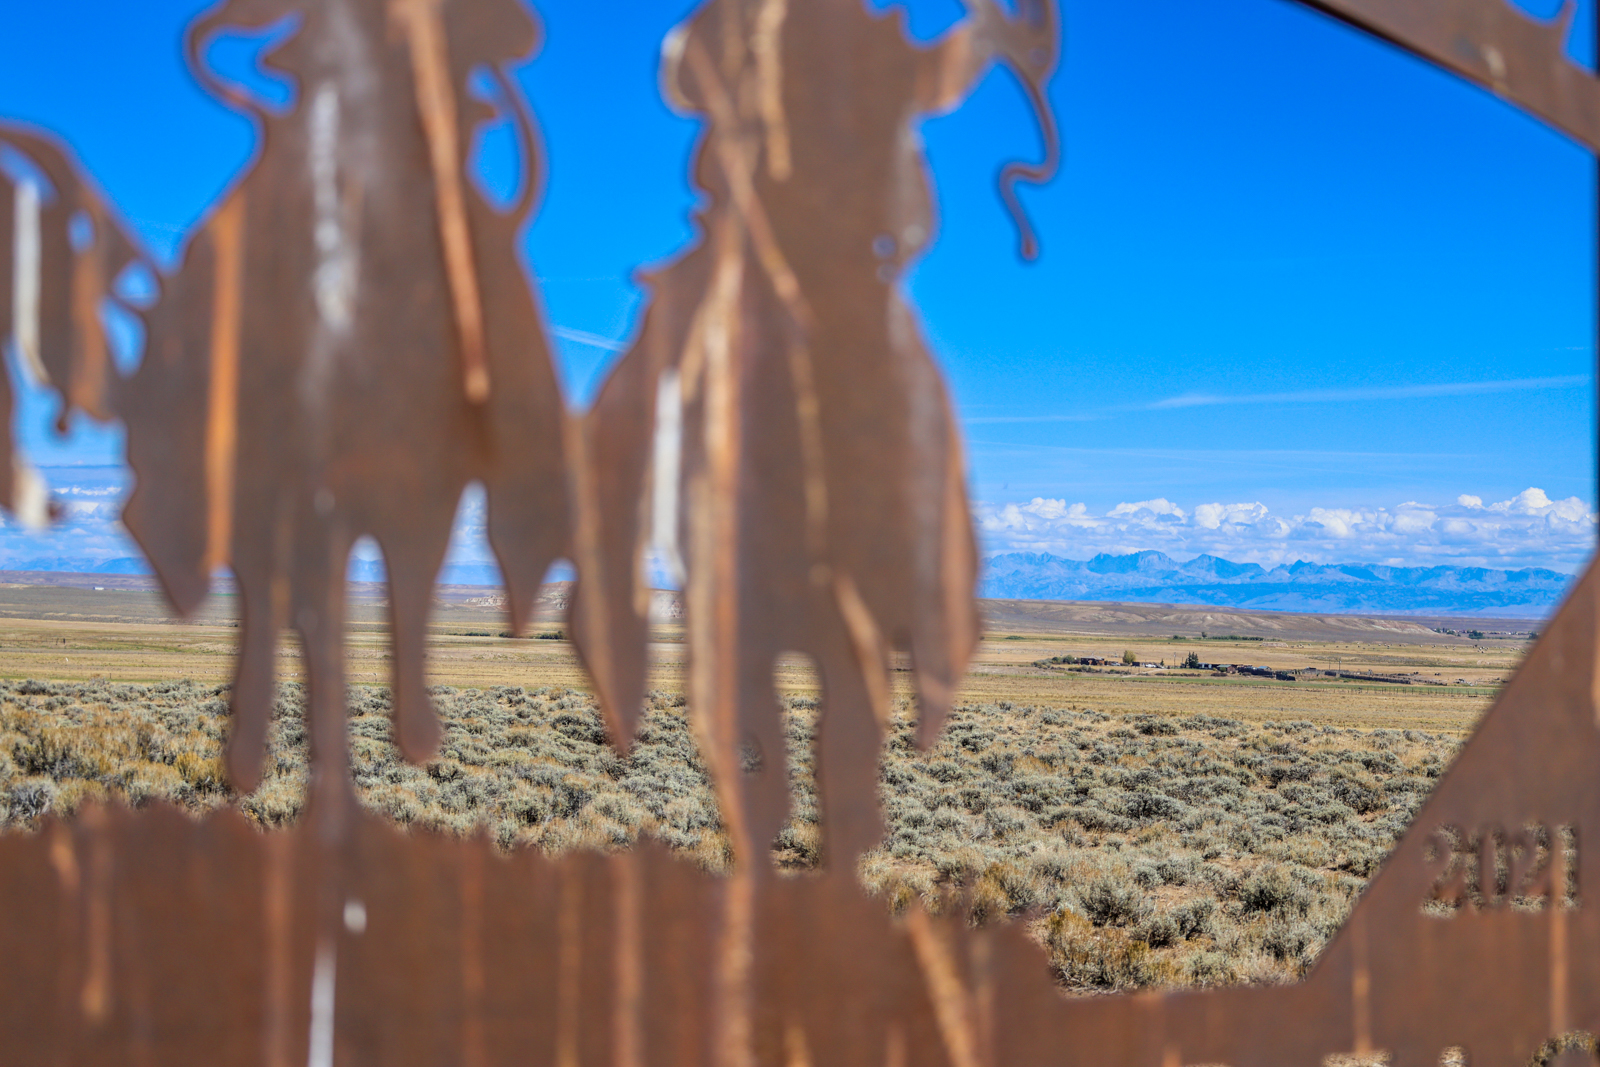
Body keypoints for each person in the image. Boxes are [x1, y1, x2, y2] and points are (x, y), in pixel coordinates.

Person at [573, 0, 1061, 871]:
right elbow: (683, 71)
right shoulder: (737, 24)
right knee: (650, 362)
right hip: (740, 245)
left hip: (847, 271)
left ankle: (934, 590)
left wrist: (986, 35)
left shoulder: (864, 38)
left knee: (920, 400)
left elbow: (928, 82)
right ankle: (593, 554)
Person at [120, 0, 572, 815]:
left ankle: (524, 478)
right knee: (219, 263)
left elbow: (511, 37)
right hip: (322, 135)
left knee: (491, 284)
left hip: (414, 142)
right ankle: (196, 475)